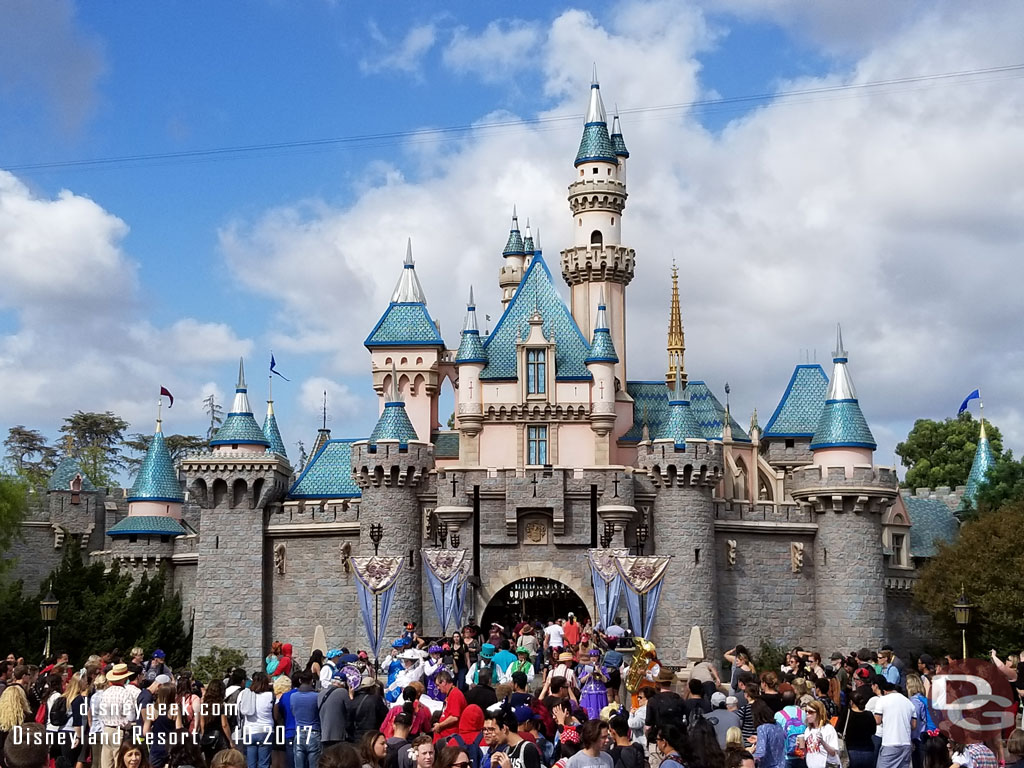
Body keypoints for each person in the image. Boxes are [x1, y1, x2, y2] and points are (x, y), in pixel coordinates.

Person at [871, 677, 915, 768]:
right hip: (906, 744)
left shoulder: (882, 700)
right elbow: (914, 725)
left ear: (885, 691)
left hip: (890, 742)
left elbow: (877, 721)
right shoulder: (909, 703)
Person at [240, 671, 276, 768]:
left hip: (249, 731)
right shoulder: (270, 696)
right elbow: (275, 714)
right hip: (265, 731)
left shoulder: (247, 695)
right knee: (264, 764)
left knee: (251, 764)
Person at [142, 683, 178, 768]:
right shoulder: (175, 709)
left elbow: (145, 732)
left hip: (156, 747)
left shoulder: (151, 709)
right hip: (171, 747)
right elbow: (179, 730)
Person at [199, 678, 234, 765]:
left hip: (207, 737)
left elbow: (202, 724)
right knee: (221, 762)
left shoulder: (204, 705)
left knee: (209, 761)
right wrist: (230, 740)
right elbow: (224, 724)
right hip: (219, 738)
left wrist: (204, 735)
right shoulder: (221, 705)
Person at [837, 689, 875, 768]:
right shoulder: (869, 715)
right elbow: (873, 731)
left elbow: (839, 729)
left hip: (850, 751)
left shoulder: (847, 714)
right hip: (868, 751)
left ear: (851, 702)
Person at [291, 672, 322, 768]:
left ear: (300, 681)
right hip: (314, 731)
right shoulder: (316, 696)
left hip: (300, 731)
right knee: (314, 764)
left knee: (299, 764)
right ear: (312, 681)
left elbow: (293, 712)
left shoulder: (293, 696)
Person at [800, 701, 839, 768]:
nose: (807, 714)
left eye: (810, 712)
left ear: (819, 713)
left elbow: (833, 753)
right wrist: (801, 746)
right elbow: (808, 753)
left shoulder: (828, 729)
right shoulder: (808, 730)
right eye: (806, 711)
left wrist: (822, 742)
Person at [351, 678, 389, 743]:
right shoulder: (375, 699)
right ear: (372, 688)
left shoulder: (354, 699)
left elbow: (349, 720)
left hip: (357, 735)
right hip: (372, 734)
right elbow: (385, 715)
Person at [749, 700, 786, 768]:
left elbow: (760, 753)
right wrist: (759, 739)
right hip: (782, 764)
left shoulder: (762, 728)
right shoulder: (778, 725)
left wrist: (748, 756)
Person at [434, 672, 466, 743]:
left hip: (450, 738)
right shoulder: (450, 694)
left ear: (444, 682)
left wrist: (440, 725)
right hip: (444, 736)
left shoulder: (455, 694)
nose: (438, 688)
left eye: (438, 685)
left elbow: (454, 717)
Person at [578, 651, 608, 721]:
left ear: (598, 657)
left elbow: (606, 680)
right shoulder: (586, 667)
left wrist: (599, 672)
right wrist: (588, 674)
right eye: (592, 657)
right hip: (589, 692)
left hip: (599, 692)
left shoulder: (603, 668)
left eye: (595, 656)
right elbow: (581, 680)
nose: (593, 658)